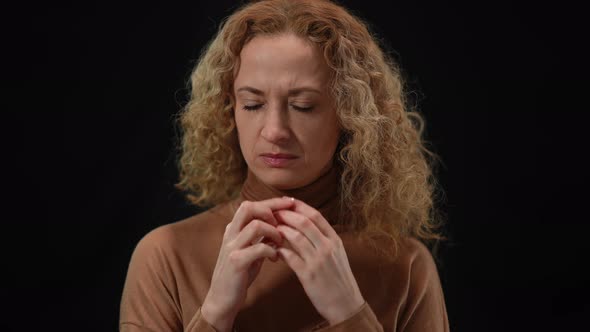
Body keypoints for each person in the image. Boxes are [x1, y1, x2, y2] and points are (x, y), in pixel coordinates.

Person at [119, 0, 449, 331]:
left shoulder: (405, 265)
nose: (275, 130)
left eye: (303, 106)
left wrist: (348, 310)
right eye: (252, 104)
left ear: (350, 116)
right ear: (228, 110)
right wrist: (215, 311)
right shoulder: (165, 255)